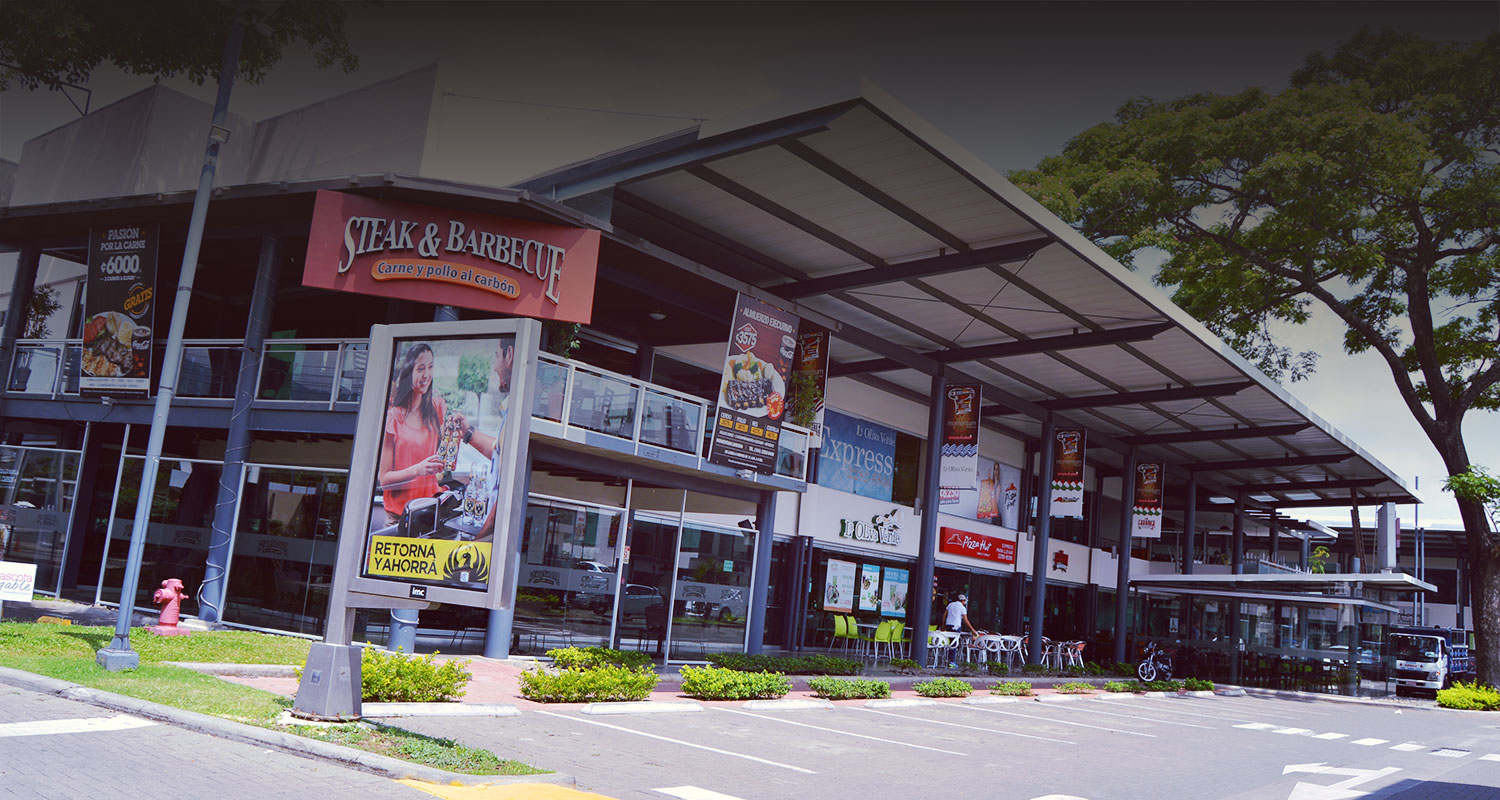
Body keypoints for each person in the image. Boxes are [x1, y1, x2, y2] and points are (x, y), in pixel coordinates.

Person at [378, 343, 454, 527]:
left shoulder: (437, 408)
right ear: (408, 372)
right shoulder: (393, 418)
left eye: (430, 367)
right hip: (399, 519)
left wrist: (455, 436)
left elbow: (443, 455)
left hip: (430, 514)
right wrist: (418, 470)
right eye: (420, 368)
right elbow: (384, 480)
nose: (426, 375)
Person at [464, 339, 514, 542]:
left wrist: (477, 542)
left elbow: (507, 490)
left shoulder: (516, 417)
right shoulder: (510, 411)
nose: (494, 367)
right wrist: (466, 432)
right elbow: (498, 451)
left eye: (497, 356)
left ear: (509, 355)